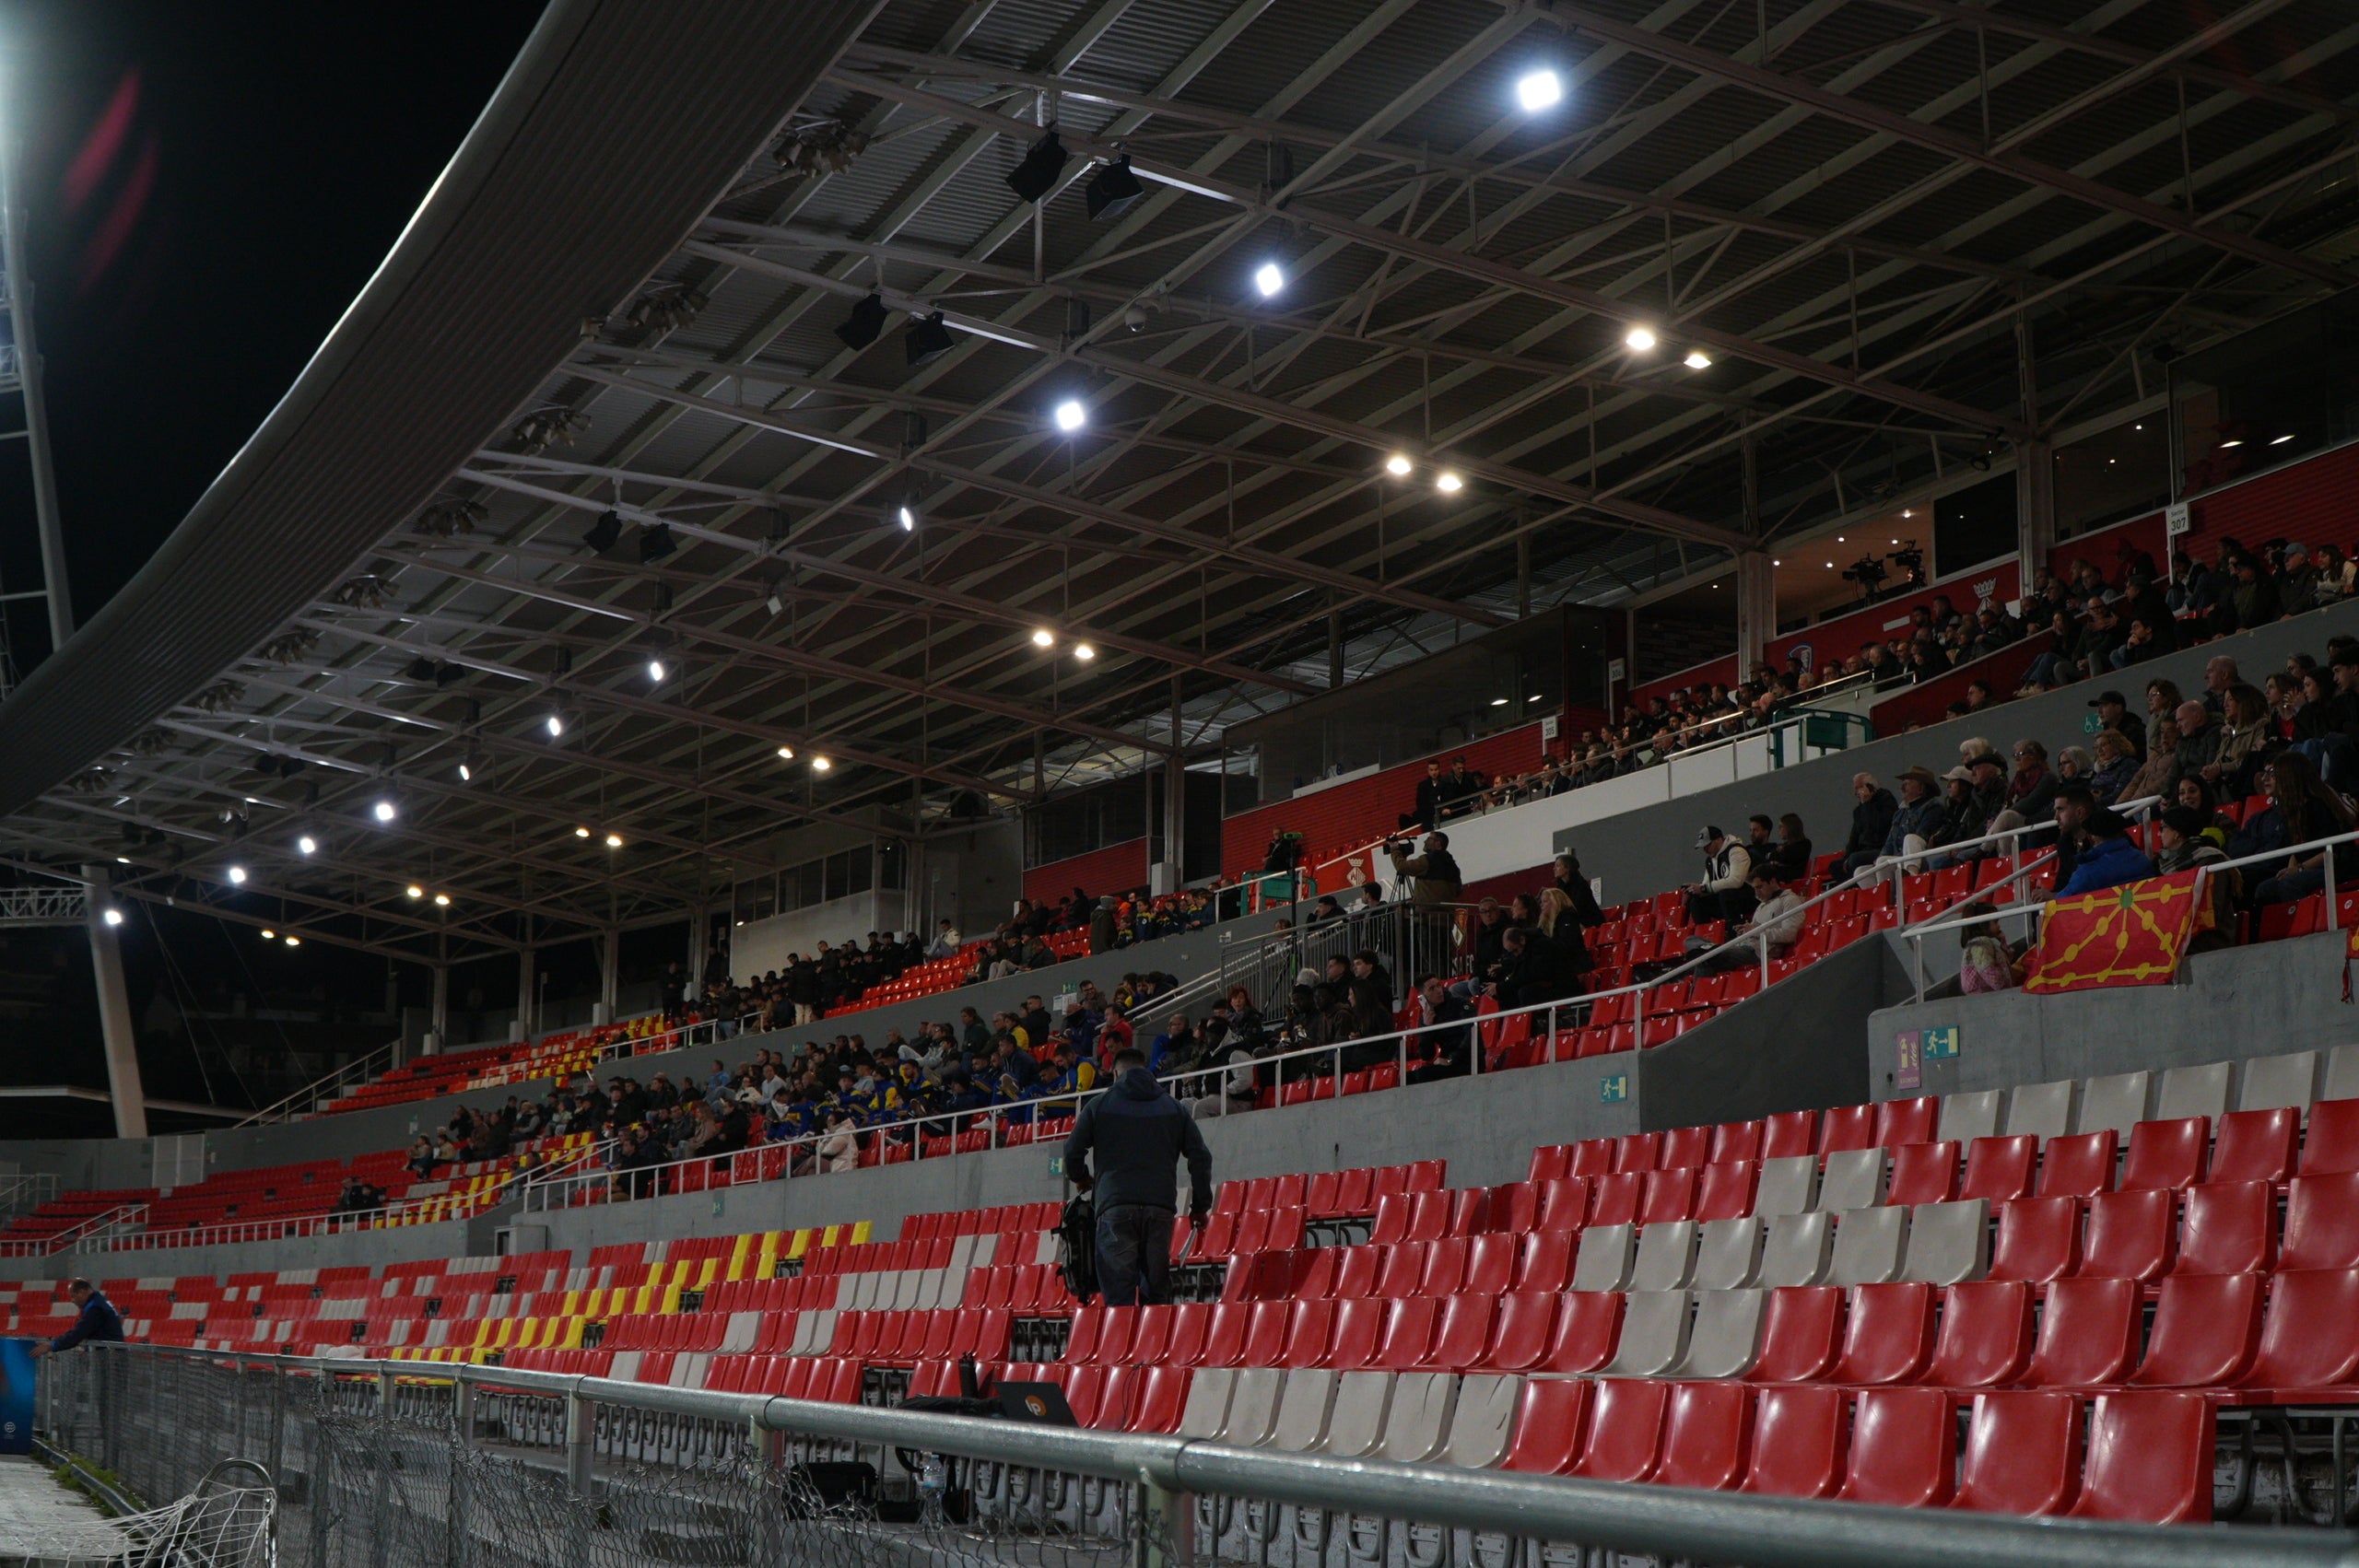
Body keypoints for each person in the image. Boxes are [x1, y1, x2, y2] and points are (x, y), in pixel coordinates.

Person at [1062, 1047, 1215, 1307]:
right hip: (1160, 1208)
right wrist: (1200, 1206)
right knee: (1156, 1293)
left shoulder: (1100, 1105)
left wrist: (1082, 1178)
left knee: (1119, 1295)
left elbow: (1072, 1151)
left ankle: (1122, 1346)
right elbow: (1200, 1158)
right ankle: (1153, 1346)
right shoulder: (1173, 1108)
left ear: (1116, 1073)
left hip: (1115, 1206)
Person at [1684, 825, 1755, 926]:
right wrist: (1695, 890)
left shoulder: (1736, 851)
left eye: (1707, 845)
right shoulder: (1710, 860)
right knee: (1696, 902)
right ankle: (1706, 937)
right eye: (1703, 847)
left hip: (1748, 897)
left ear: (1718, 840)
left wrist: (1704, 888)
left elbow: (1736, 881)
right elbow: (1706, 884)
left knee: (1726, 895)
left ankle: (1734, 934)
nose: (1705, 850)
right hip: (1726, 900)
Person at [31, 1279, 123, 1358]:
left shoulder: (96, 1308)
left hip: (110, 1357)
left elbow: (79, 1333)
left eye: (73, 1296)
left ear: (82, 1292)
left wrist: (52, 1346)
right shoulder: (99, 1302)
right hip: (110, 1355)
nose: (72, 1300)